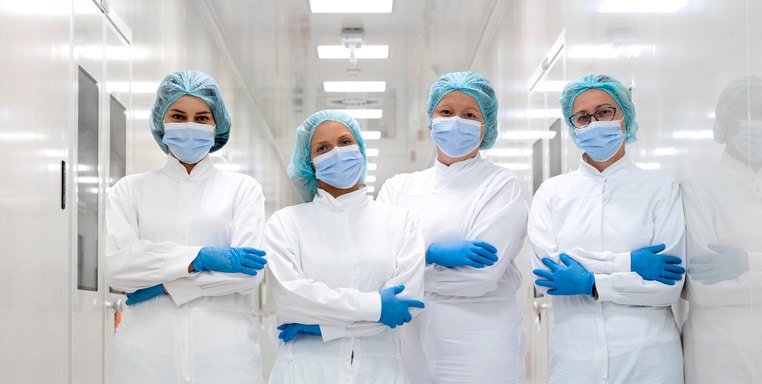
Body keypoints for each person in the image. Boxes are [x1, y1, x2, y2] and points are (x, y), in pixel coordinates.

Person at [104, 70, 268, 384]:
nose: (189, 126)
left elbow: (249, 274)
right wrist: (200, 257)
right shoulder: (129, 191)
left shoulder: (243, 190)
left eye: (202, 118)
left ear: (216, 125)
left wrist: (166, 285)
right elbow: (119, 268)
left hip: (224, 353)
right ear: (160, 123)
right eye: (178, 116)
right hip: (145, 354)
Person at [528, 73, 686, 383]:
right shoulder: (551, 193)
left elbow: (669, 286)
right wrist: (630, 263)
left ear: (625, 116)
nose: (594, 122)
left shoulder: (660, 189)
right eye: (583, 117)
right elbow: (547, 277)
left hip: (648, 357)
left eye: (604, 112)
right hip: (576, 360)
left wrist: (591, 283)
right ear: (573, 128)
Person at [377, 71, 529, 383]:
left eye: (469, 114)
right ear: (431, 118)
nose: (456, 121)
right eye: (446, 112)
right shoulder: (398, 188)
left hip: (481, 346)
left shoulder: (500, 186)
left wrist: (409, 266)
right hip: (410, 346)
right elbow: (376, 264)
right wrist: (430, 254)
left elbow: (481, 278)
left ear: (485, 125)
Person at [265, 110, 425, 383]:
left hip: (381, 371)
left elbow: (404, 306)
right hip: (305, 372)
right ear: (310, 162)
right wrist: (376, 307)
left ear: (361, 150)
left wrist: (324, 328)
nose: (337, 152)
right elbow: (292, 301)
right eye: (323, 148)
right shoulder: (285, 223)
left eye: (345, 142)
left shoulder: (399, 221)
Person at [681, 75, 762, 383]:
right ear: (727, 121)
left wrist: (748, 263)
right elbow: (705, 290)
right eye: (749, 113)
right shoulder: (699, 190)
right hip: (717, 353)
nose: (758, 123)